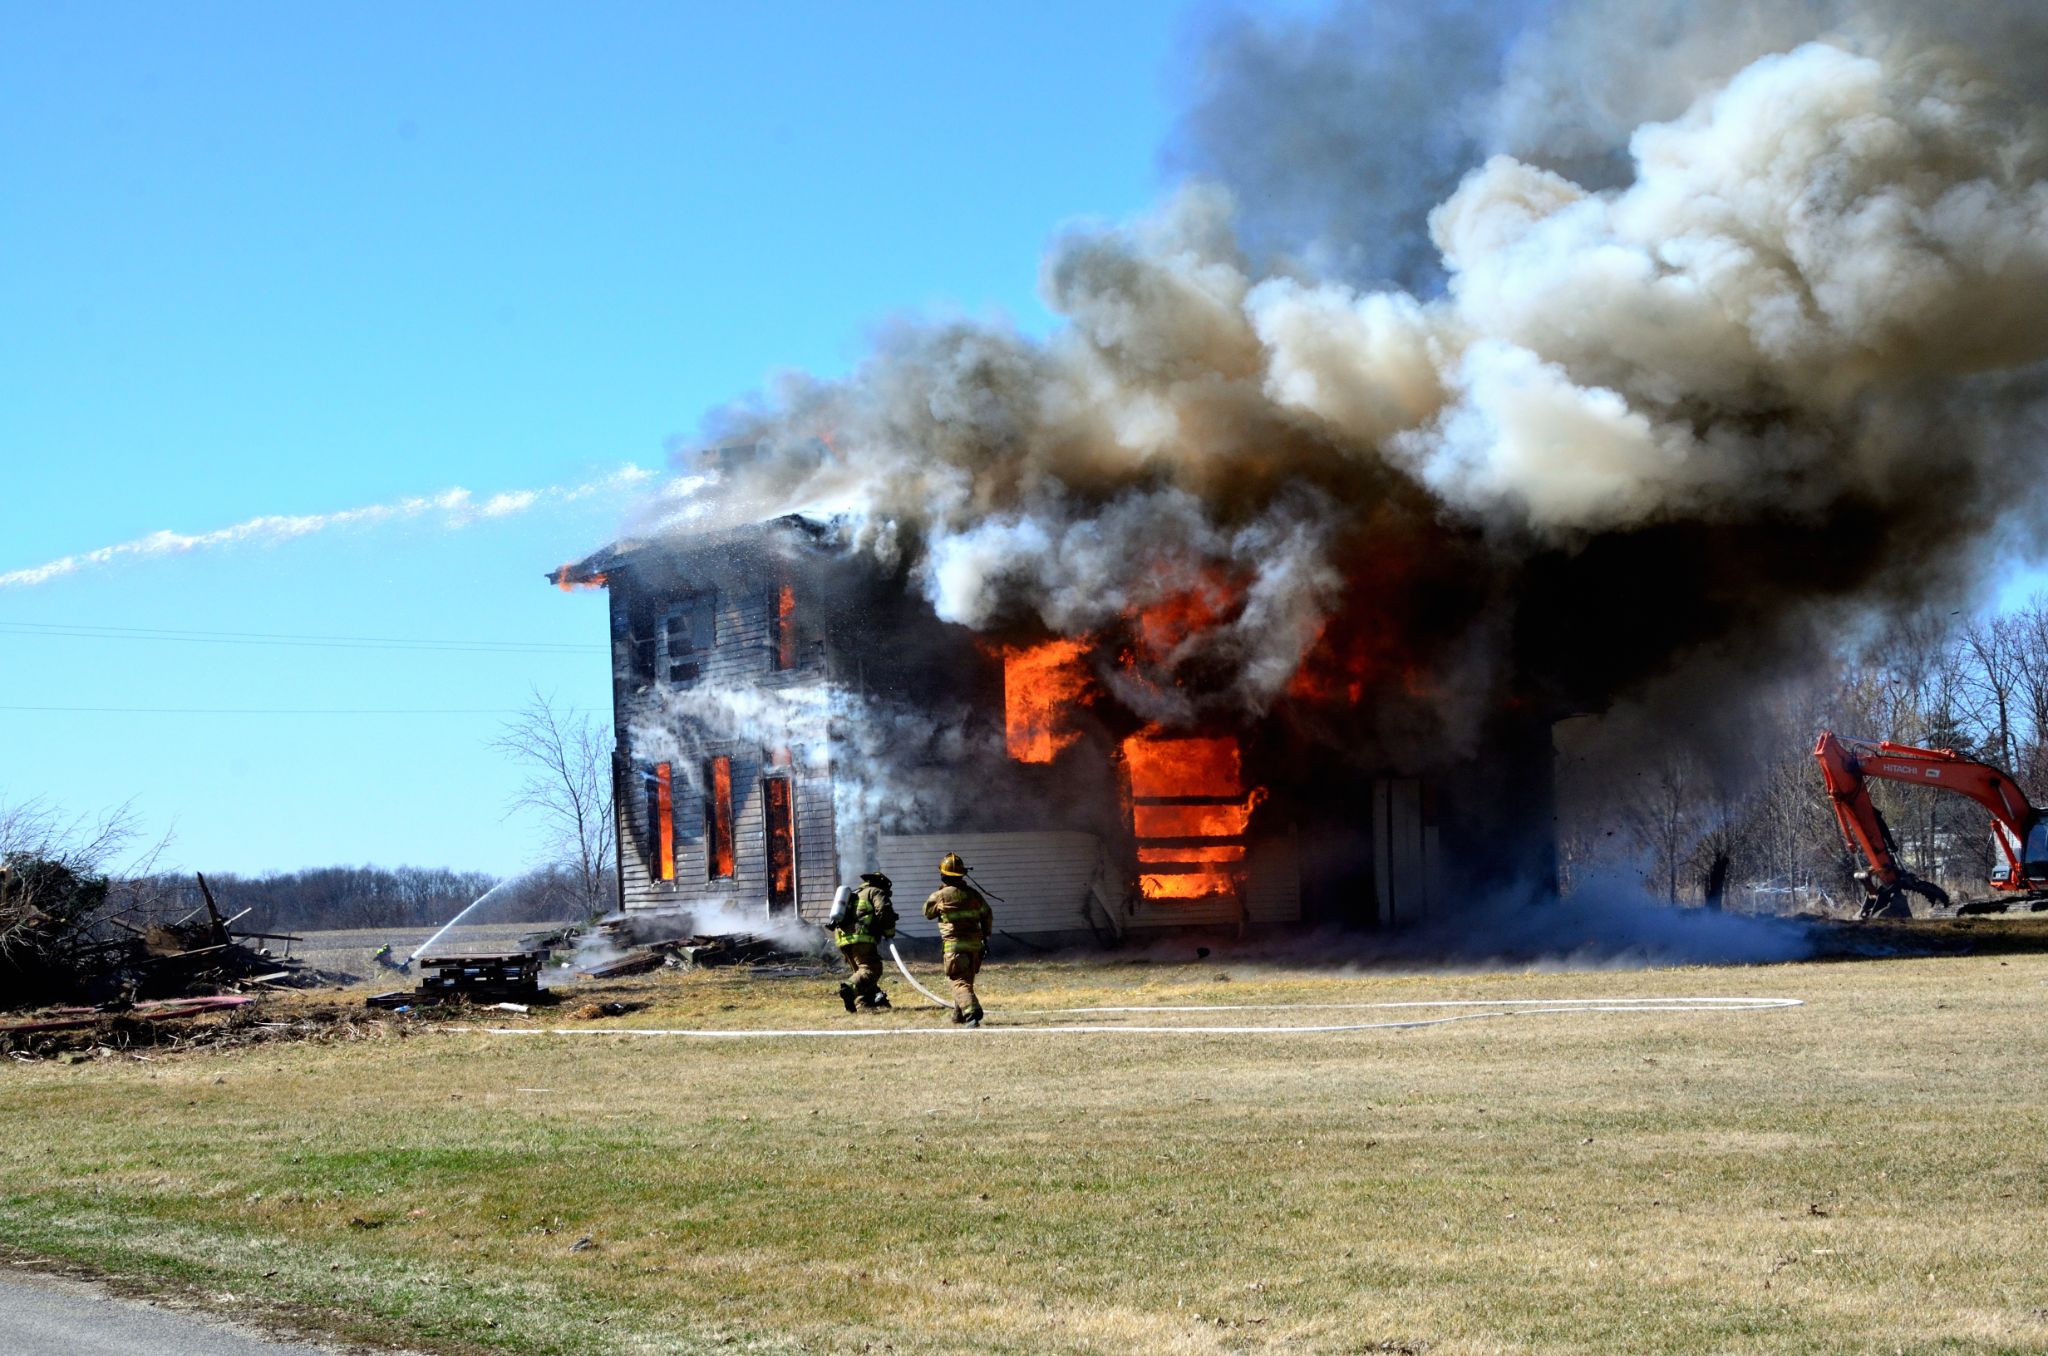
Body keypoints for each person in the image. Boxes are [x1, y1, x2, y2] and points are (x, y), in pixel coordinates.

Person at [922, 852, 993, 1026]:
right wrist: (985, 935)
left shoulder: (940, 896)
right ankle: (959, 1015)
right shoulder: (974, 895)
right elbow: (987, 914)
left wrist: (941, 893)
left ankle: (972, 1012)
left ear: (943, 875)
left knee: (958, 981)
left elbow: (927, 913)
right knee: (966, 981)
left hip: (955, 947)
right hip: (975, 946)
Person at [834, 871, 896, 1013]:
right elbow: (884, 909)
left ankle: (865, 1003)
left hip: (843, 939)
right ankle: (848, 989)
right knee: (871, 969)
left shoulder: (855, 893)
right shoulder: (875, 891)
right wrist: (889, 931)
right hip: (861, 937)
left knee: (861, 973)